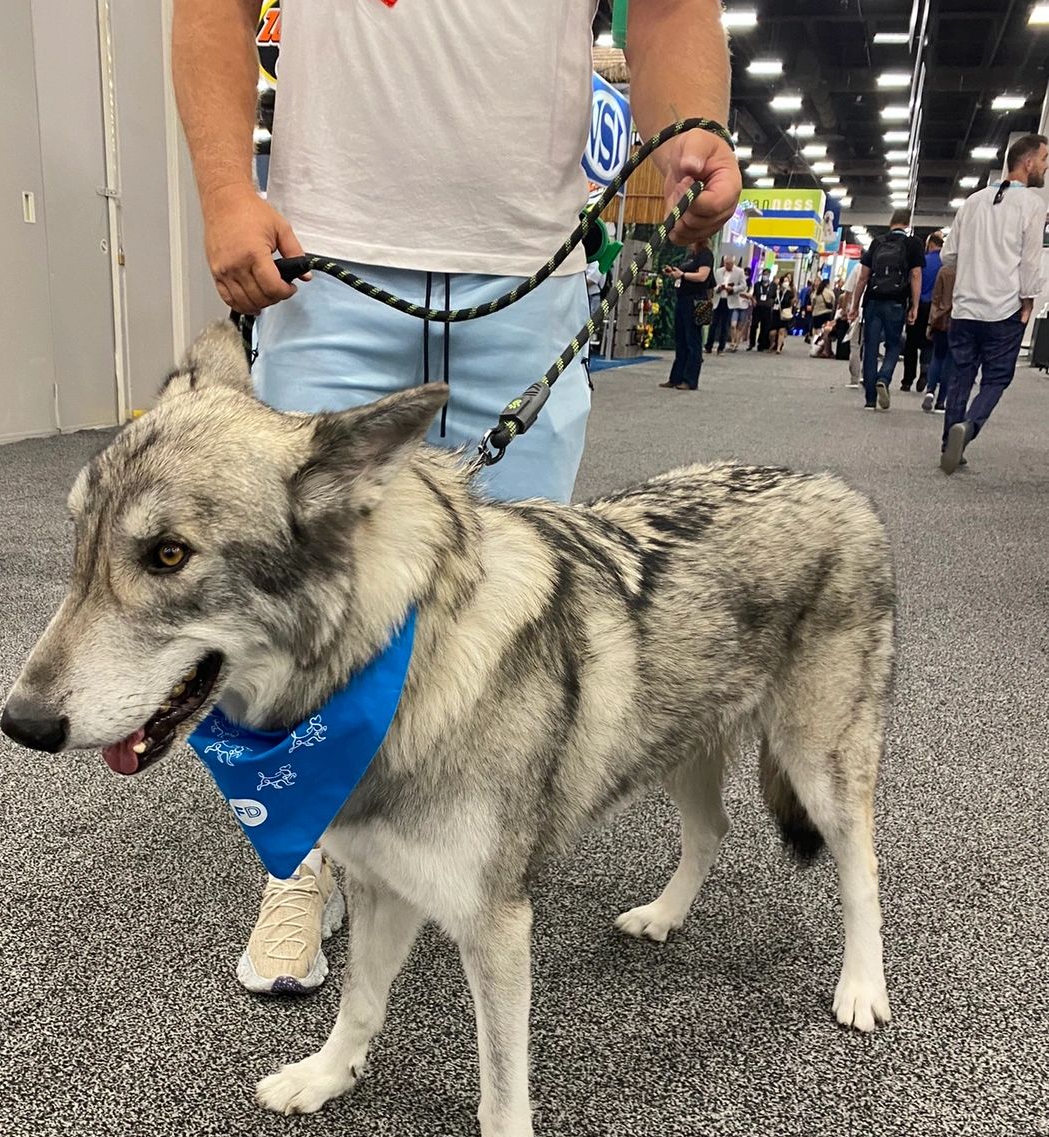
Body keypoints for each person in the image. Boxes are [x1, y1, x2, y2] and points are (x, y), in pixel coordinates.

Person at [173, 0, 742, 995]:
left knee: (503, 612)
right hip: (327, 256)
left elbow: (667, 7)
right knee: (297, 598)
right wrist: (227, 185)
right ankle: (298, 868)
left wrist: (692, 123)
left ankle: (461, 849)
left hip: (528, 269)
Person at [938, 133, 1048, 474]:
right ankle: (968, 427)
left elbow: (948, 255)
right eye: (1045, 160)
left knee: (960, 376)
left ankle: (948, 445)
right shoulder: (1032, 205)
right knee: (996, 378)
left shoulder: (972, 202)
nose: (1046, 168)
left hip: (966, 307)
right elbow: (1030, 261)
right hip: (1004, 310)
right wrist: (1028, 300)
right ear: (1028, 163)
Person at [848, 208, 923, 413]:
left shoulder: (878, 242)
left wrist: (854, 306)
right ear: (907, 224)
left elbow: (863, 277)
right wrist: (914, 306)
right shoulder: (913, 244)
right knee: (893, 345)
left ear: (891, 222)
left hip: (873, 302)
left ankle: (870, 400)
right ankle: (884, 377)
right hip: (897, 303)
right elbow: (915, 276)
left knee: (870, 349)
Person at [662, 243, 714, 390]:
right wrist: (674, 273)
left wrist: (683, 275)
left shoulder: (705, 255)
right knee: (681, 340)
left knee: (692, 341)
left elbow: (703, 276)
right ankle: (676, 377)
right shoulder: (691, 256)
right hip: (683, 298)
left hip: (694, 300)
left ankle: (690, 379)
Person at [901, 229, 943, 392]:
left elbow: (913, 280)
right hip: (936, 308)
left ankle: (907, 380)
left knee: (911, 343)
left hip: (918, 305)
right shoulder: (946, 264)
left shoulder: (922, 262)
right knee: (929, 343)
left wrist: (912, 305)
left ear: (930, 245)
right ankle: (925, 371)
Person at [922, 257, 955, 413]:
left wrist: (931, 322)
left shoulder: (944, 271)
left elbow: (936, 298)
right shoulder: (968, 271)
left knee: (937, 356)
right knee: (950, 360)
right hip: (959, 320)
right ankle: (941, 401)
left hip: (941, 319)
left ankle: (930, 391)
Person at [704, 254, 744, 355]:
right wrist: (718, 288)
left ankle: (721, 348)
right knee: (714, 324)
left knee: (725, 325)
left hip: (730, 301)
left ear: (733, 263)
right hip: (719, 300)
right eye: (726, 264)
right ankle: (708, 346)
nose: (728, 265)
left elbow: (743, 286)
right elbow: (714, 285)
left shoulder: (739, 272)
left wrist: (733, 289)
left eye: (730, 264)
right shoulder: (718, 271)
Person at [748, 268, 775, 351]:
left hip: (767, 308)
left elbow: (774, 297)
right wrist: (753, 300)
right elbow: (753, 295)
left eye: (767, 274)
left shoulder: (773, 286)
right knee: (754, 325)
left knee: (764, 327)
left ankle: (761, 344)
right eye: (764, 274)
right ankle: (751, 343)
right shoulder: (757, 285)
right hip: (758, 307)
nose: (765, 276)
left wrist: (772, 303)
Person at [773, 273, 794, 353]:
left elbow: (791, 302)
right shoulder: (776, 291)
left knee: (781, 331)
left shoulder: (789, 292)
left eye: (787, 281)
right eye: (784, 281)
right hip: (776, 312)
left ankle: (779, 348)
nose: (786, 282)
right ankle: (773, 344)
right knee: (773, 332)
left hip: (784, 313)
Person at [729, 276, 751, 351]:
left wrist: (743, 294)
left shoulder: (750, 286)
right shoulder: (735, 284)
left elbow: (750, 296)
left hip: (744, 307)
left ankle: (736, 342)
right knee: (733, 325)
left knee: (740, 326)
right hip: (735, 306)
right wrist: (744, 294)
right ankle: (732, 341)